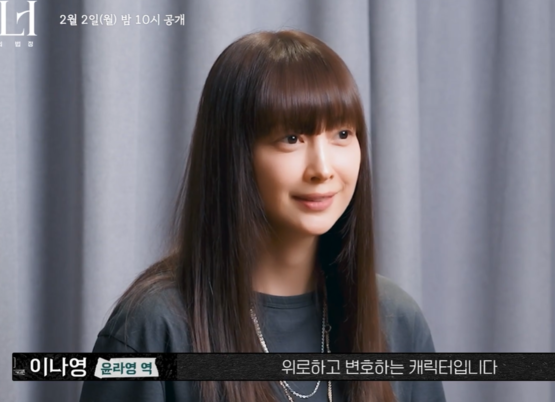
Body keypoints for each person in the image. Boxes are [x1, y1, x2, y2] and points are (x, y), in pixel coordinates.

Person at [79, 29, 447, 402]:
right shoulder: (153, 327)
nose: (323, 169)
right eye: (292, 138)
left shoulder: (396, 320)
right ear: (233, 155)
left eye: (341, 134)